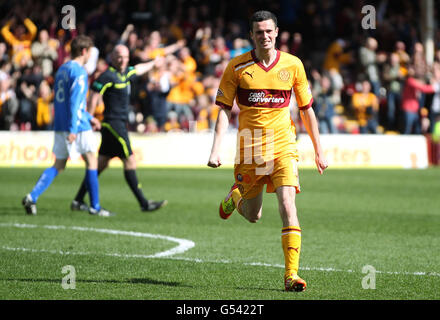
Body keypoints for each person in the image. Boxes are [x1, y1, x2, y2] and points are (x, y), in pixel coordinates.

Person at [207, 11, 328, 292]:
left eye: (268, 31)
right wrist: (216, 149)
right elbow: (224, 110)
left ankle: (291, 275)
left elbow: (307, 110)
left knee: (288, 206)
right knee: (253, 215)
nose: (264, 36)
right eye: (258, 32)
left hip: (284, 144)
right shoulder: (236, 67)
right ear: (252, 35)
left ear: (276, 32)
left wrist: (319, 150)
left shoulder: (293, 65)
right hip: (250, 148)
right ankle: (234, 197)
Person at [22, 35, 113, 217]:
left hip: (61, 124)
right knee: (92, 161)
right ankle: (95, 206)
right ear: (84, 51)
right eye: (90, 53)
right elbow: (75, 102)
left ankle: (32, 196)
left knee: (59, 164)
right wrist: (75, 127)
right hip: (76, 126)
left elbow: (63, 101)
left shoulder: (62, 69)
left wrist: (89, 116)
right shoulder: (79, 72)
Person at [71, 44, 167, 212]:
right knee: (130, 160)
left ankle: (78, 200)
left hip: (115, 124)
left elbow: (138, 68)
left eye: (126, 57)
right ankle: (144, 203)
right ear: (113, 58)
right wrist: (90, 118)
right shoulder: (106, 76)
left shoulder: (124, 73)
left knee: (100, 165)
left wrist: (154, 62)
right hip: (113, 124)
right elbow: (93, 98)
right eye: (120, 57)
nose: (123, 60)